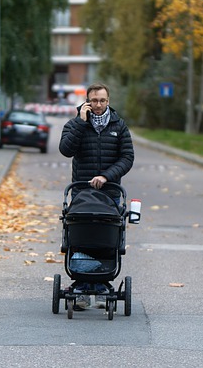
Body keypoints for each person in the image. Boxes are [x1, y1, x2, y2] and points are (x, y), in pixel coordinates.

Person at [59, 82, 134, 310]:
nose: (98, 105)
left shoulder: (119, 127)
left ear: (108, 101)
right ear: (86, 102)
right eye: (94, 100)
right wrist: (81, 123)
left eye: (102, 100)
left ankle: (102, 285)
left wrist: (106, 176)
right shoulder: (74, 125)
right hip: (82, 194)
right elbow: (66, 150)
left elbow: (127, 158)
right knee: (82, 237)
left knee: (105, 237)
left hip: (110, 194)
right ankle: (82, 285)